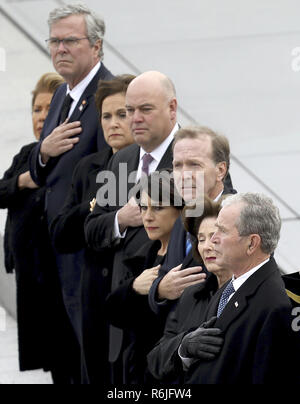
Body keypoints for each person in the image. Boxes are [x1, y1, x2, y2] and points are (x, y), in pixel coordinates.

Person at [29, 3, 113, 380]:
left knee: (91, 358)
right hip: (56, 252)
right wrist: (42, 153)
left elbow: (109, 176)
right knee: (66, 358)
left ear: (96, 46)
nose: (60, 49)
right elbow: (43, 161)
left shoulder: (106, 98)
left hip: (85, 251)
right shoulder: (63, 94)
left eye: (70, 41)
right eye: (54, 41)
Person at [85, 70, 178, 383]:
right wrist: (119, 219)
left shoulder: (192, 157)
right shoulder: (123, 159)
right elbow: (93, 229)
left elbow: (205, 232)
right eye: (130, 110)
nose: (134, 119)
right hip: (121, 319)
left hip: (166, 322)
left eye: (145, 110)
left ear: (172, 109)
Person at [50, 74, 135, 384]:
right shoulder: (89, 167)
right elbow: (60, 235)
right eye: (106, 116)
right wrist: (93, 205)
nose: (113, 123)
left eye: (122, 115)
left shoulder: (155, 168)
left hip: (135, 294)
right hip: (95, 295)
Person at [0, 72, 79, 383]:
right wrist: (22, 181)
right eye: (37, 109)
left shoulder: (73, 158)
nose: (42, 116)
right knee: (51, 360)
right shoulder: (26, 155)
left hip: (62, 278)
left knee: (69, 358)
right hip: (32, 277)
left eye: (49, 109)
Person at [183, 193, 300, 384]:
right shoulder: (230, 287)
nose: (213, 239)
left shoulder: (275, 305)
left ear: (252, 243)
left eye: (222, 231)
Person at [105, 170, 184, 384]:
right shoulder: (143, 254)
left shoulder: (188, 260)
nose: (147, 216)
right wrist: (133, 287)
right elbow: (112, 310)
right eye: (143, 208)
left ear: (180, 210)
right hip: (138, 372)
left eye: (158, 208)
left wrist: (154, 290)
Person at [149, 126, 236, 317]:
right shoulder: (184, 217)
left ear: (220, 170)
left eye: (194, 165)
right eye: (178, 165)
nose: (184, 175)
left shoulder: (242, 218)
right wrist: (161, 289)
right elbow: (164, 277)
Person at [147, 195, 232, 383]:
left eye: (215, 238)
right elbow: (155, 361)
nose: (207, 246)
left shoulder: (257, 295)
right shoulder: (191, 295)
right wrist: (183, 346)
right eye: (201, 239)